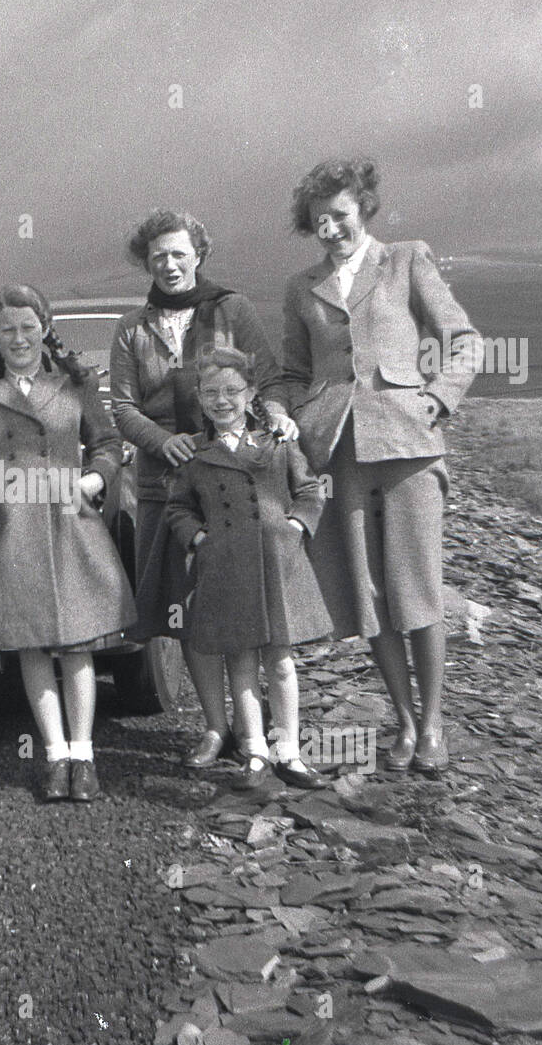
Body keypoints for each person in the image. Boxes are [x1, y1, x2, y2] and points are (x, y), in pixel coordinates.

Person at [280, 158, 482, 775]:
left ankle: (434, 724)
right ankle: (401, 720)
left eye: (340, 215)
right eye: (319, 221)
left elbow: (464, 339)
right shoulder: (300, 287)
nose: (331, 229)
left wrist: (439, 395)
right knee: (367, 596)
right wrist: (285, 415)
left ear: (363, 208)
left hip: (408, 448)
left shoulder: (406, 260)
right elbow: (292, 373)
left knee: (415, 587)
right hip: (338, 456)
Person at [109, 208, 298, 767]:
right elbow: (121, 404)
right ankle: (216, 729)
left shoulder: (230, 308)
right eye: (157, 256)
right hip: (162, 487)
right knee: (184, 609)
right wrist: (162, 443)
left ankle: (259, 732)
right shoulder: (131, 327)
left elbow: (266, 378)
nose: (168, 265)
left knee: (243, 602)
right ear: (146, 262)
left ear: (198, 256)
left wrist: (280, 418)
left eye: (178, 254)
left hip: (232, 485)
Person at [0, 286, 136, 803]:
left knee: (76, 643)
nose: (19, 337)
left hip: (69, 521)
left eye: (28, 326)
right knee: (30, 641)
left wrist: (92, 482)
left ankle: (84, 756)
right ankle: (53, 757)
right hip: (10, 530)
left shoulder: (75, 384)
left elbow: (108, 444)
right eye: (7, 328)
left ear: (45, 327)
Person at [165, 349, 331, 788]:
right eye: (212, 393)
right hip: (226, 569)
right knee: (240, 661)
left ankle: (289, 752)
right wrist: (199, 540)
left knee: (280, 663)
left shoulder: (277, 441)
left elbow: (311, 490)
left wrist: (295, 525)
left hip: (276, 564)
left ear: (252, 393)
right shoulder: (196, 455)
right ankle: (255, 750)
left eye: (233, 391)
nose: (223, 401)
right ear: (200, 398)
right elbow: (178, 508)